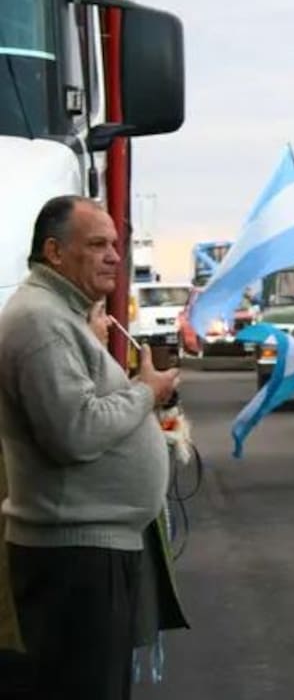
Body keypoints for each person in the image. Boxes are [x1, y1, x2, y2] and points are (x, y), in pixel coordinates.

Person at [0, 195, 180, 700]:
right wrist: (147, 392)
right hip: (74, 560)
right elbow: (73, 433)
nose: (114, 257)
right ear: (54, 252)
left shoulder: (62, 316)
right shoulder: (41, 321)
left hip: (89, 551)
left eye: (116, 245)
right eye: (97, 244)